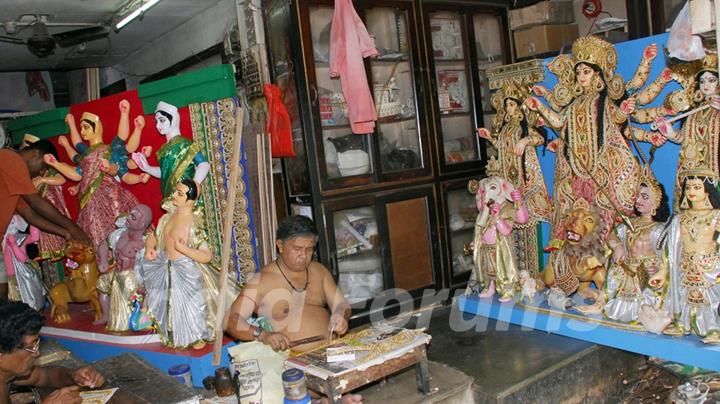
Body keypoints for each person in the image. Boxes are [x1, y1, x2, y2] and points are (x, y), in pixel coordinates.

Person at [225, 215, 361, 403]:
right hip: (292, 361)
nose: (304, 256)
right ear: (280, 246)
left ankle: (329, 397)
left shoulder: (319, 271)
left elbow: (341, 304)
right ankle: (329, 397)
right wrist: (263, 335)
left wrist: (340, 315)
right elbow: (231, 321)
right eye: (297, 249)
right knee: (288, 384)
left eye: (309, 249)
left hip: (331, 352)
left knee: (374, 358)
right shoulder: (261, 281)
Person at [524, 35, 641, 241]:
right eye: (578, 72)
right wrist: (540, 106)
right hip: (575, 170)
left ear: (597, 74)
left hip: (600, 168)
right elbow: (559, 122)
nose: (581, 76)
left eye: (586, 71)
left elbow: (615, 118)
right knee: (574, 217)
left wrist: (623, 110)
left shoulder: (602, 100)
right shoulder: (575, 103)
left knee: (603, 217)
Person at [0, 140, 90, 303]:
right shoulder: (9, 158)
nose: (41, 173)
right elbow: (36, 203)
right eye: (43, 166)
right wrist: (74, 227)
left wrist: (66, 233)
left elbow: (30, 215)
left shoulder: (14, 181)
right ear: (35, 154)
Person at [45, 111, 140, 253]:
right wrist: (56, 164)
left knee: (117, 229)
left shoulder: (107, 150)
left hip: (109, 196)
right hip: (89, 202)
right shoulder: (86, 155)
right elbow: (77, 175)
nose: (83, 131)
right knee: (96, 234)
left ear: (96, 128)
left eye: (86, 127)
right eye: (81, 128)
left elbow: (116, 169)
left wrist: (108, 168)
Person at [141, 180, 215, 349]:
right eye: (176, 192)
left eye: (180, 194)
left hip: (186, 270)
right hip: (166, 267)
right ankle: (173, 333)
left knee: (191, 307)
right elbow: (155, 235)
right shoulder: (168, 217)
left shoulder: (194, 223)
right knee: (169, 304)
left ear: (191, 200)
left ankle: (196, 336)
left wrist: (183, 249)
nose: (174, 195)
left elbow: (206, 256)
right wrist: (149, 248)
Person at [0, 302, 105, 404]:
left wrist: (73, 375)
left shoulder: (7, 376)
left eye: (36, 344)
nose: (37, 353)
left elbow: (45, 376)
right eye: (30, 347)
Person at [653, 53, 720, 210]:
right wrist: (669, 132)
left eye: (711, 80)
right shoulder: (695, 111)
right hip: (692, 170)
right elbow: (684, 138)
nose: (706, 85)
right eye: (702, 81)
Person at [605, 168, 670, 323]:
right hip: (627, 272)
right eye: (638, 196)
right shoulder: (630, 223)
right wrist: (617, 246)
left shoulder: (658, 229)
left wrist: (659, 269)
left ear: (655, 203)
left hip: (647, 273)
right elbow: (611, 236)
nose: (638, 200)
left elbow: (666, 255)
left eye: (644, 197)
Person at [663, 168, 720, 343]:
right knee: (684, 295)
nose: (691, 192)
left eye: (696, 187)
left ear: (707, 191)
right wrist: (663, 269)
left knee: (710, 298)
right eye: (688, 188)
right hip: (685, 265)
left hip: (709, 266)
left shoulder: (716, 216)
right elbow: (671, 247)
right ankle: (683, 323)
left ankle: (714, 328)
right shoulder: (680, 218)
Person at [131, 101, 210, 206]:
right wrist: (147, 168)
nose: (158, 125)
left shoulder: (185, 144)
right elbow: (165, 173)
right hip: (170, 199)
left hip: (186, 199)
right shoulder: (163, 150)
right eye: (156, 121)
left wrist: (192, 187)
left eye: (162, 120)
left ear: (173, 120)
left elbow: (204, 165)